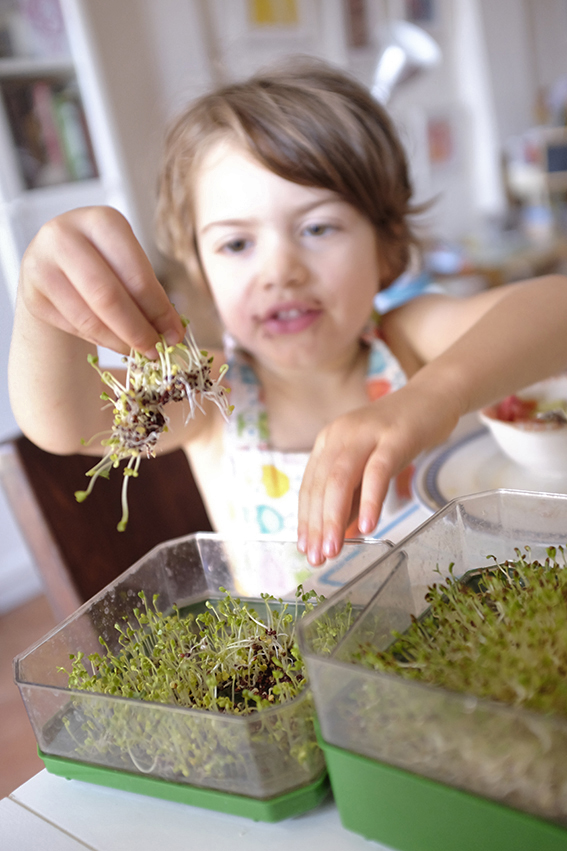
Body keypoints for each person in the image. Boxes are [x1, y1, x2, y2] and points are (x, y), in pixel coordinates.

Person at [8, 59, 567, 569]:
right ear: (201, 270)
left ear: (387, 247)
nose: (280, 271)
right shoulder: (215, 397)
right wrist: (40, 301)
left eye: (317, 228)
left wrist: (435, 394)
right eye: (236, 245)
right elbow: (64, 423)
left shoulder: (409, 343)